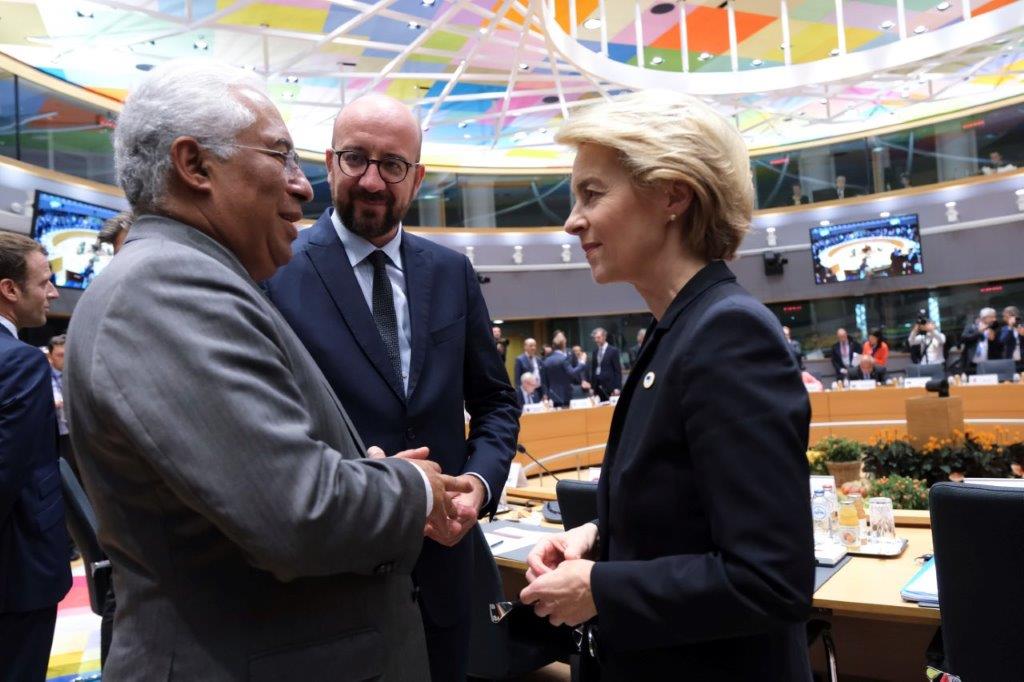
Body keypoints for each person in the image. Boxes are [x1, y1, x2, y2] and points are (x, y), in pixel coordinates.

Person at [64, 61, 467, 680]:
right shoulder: (170, 288)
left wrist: (369, 473)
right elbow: (297, 514)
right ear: (194, 165)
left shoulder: (205, 280)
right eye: (280, 157)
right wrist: (412, 488)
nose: (304, 186)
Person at [520, 91, 813, 679]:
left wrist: (603, 588)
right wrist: (600, 538)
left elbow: (770, 578)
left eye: (592, 193)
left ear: (673, 194)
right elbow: (688, 507)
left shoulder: (728, 333)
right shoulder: (677, 328)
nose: (572, 220)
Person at [265, 93, 519, 681]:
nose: (373, 181)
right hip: (337, 584)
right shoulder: (276, 272)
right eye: (356, 159)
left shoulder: (451, 272)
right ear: (328, 163)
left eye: (394, 165)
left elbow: (495, 401)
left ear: (418, 177)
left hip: (447, 575)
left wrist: (479, 484)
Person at [0, 233, 71, 682]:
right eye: (44, 281)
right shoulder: (20, 362)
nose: (53, 293)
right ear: (9, 289)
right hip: (16, 574)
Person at [542, 331, 588, 408]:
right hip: (565, 395)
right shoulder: (564, 359)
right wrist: (582, 362)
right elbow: (572, 373)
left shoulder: (546, 360)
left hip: (552, 395)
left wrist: (545, 394)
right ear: (564, 345)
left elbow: (544, 380)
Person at [961, 307, 1002, 374]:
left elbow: (999, 346)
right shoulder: (971, 327)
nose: (994, 319)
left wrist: (993, 339)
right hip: (972, 364)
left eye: (995, 317)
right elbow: (964, 339)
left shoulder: (994, 329)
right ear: (984, 317)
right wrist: (978, 332)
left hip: (988, 363)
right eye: (992, 317)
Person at [587, 327, 622, 401]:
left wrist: (618, 387)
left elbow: (617, 371)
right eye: (595, 338)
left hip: (610, 387)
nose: (596, 340)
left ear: (604, 337)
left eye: (598, 338)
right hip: (598, 387)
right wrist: (592, 387)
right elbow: (594, 370)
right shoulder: (595, 351)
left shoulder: (613, 351)